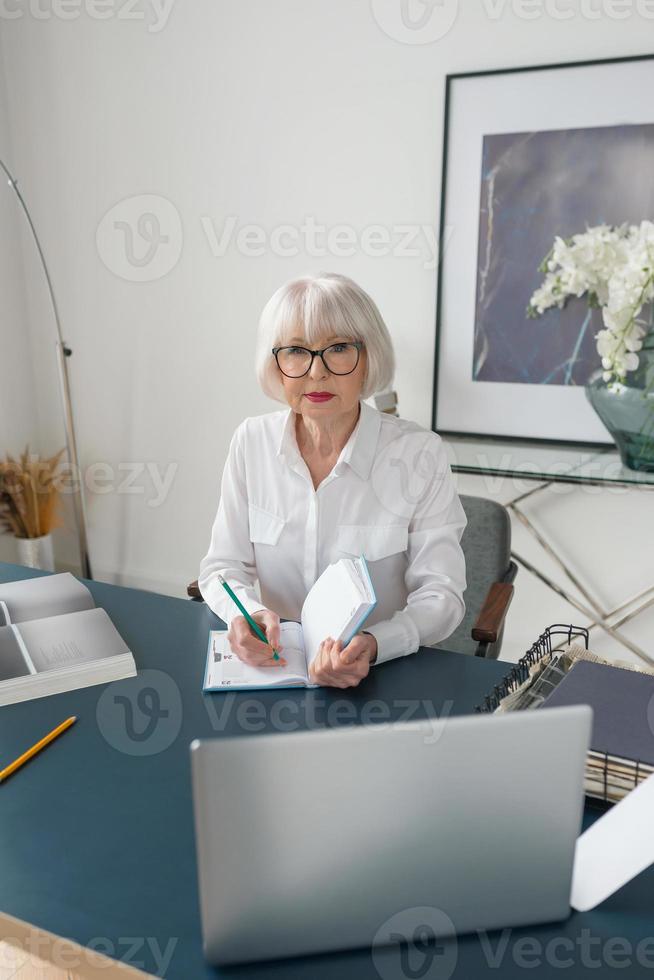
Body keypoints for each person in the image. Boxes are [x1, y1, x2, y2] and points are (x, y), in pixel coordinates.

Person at [198, 272, 467, 689]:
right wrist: (244, 613)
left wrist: (375, 644)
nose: (316, 373)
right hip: (277, 675)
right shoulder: (251, 441)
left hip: (381, 677)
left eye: (338, 349)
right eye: (295, 351)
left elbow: (442, 597)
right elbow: (221, 567)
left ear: (369, 356)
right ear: (276, 363)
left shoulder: (419, 454)